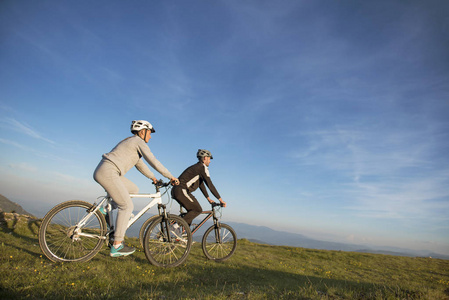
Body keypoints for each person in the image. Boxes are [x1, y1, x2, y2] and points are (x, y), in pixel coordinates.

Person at [93, 120, 179, 257]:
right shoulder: (138, 142)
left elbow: (140, 165)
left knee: (133, 189)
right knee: (127, 206)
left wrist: (153, 178)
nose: (150, 137)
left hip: (108, 171)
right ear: (142, 131)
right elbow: (153, 161)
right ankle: (117, 245)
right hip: (109, 172)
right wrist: (171, 177)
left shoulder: (132, 144)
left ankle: (106, 209)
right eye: (150, 133)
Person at [171, 149, 226, 226]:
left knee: (190, 213)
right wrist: (220, 200)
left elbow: (201, 184)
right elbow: (209, 184)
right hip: (182, 190)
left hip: (178, 191)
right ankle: (175, 227)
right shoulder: (202, 167)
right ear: (205, 158)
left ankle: (184, 235)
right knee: (197, 210)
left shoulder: (198, 168)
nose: (210, 161)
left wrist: (208, 199)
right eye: (209, 158)